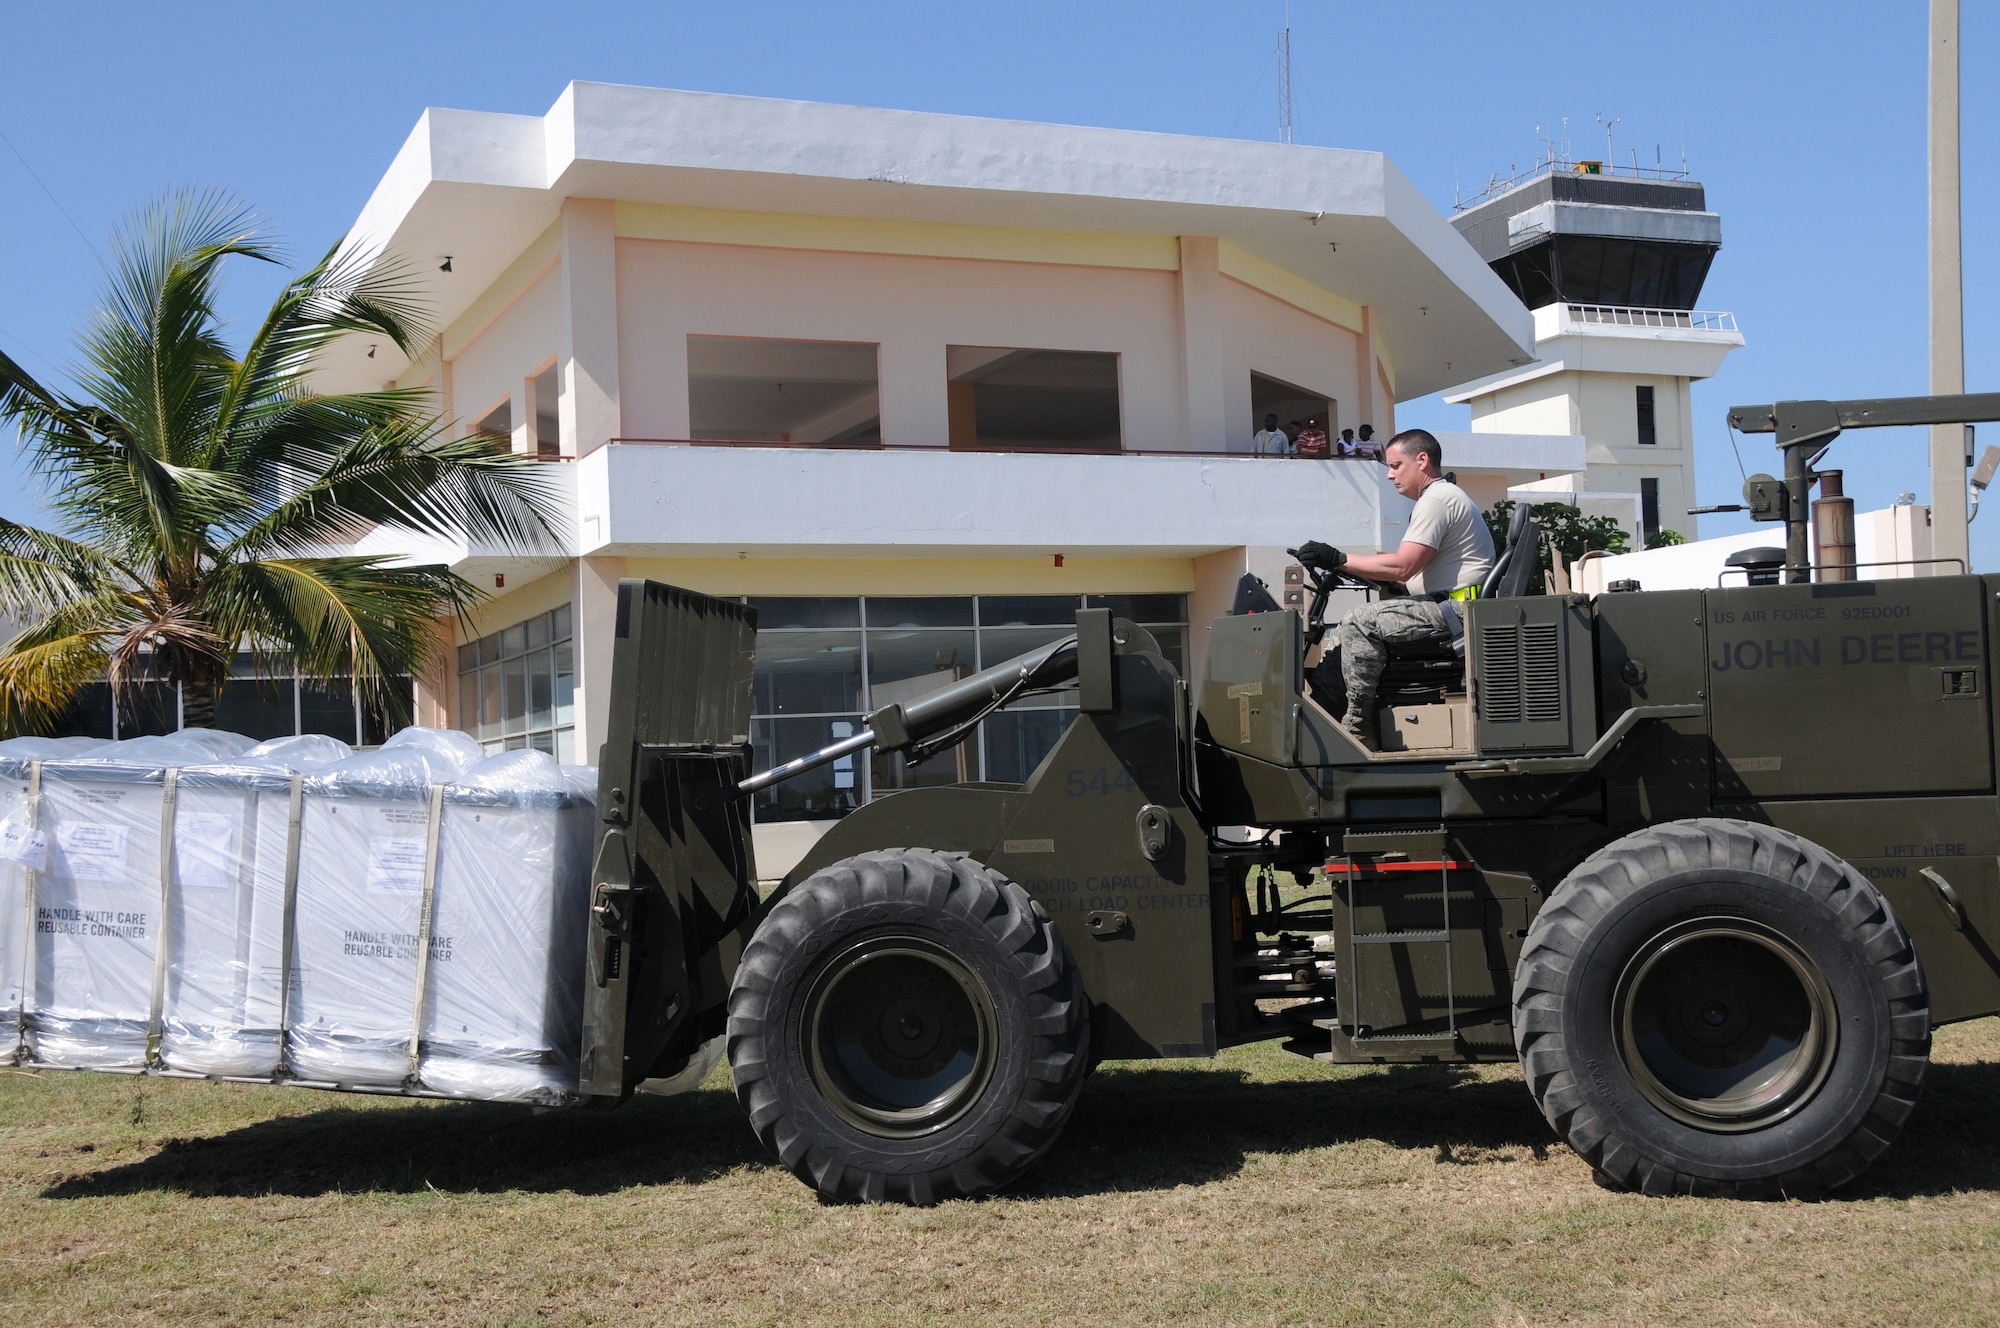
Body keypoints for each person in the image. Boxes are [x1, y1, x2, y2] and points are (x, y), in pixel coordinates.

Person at [1295, 428, 1494, 744]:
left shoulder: (1438, 500)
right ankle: (1323, 710)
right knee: (1343, 643)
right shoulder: (1441, 498)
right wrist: (1341, 563)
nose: (1389, 475)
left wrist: (1336, 558)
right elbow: (1405, 570)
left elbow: (1402, 566)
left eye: (1395, 465)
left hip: (1454, 610)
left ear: (1422, 460)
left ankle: (1356, 728)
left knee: (1360, 621)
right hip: (1448, 607)